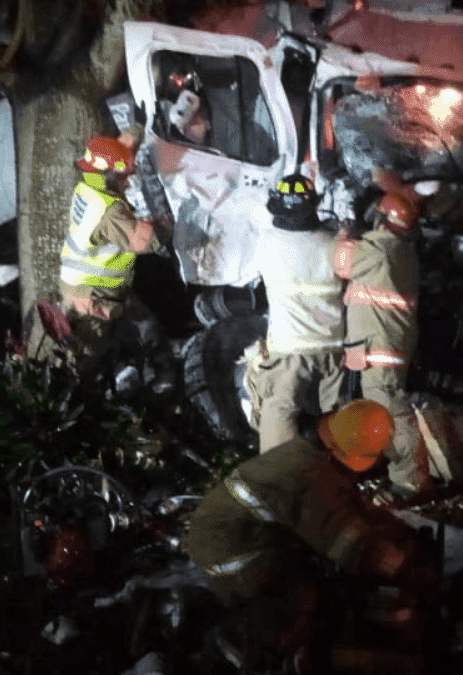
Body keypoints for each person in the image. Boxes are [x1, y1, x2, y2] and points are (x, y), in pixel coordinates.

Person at [185, 400, 427, 673]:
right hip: (230, 548)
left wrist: (391, 527)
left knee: (314, 577)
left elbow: (346, 504)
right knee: (298, 595)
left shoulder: (311, 453)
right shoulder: (310, 474)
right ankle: (249, 650)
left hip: (243, 533)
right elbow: (342, 538)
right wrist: (397, 563)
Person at [333, 172, 432, 498]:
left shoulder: (379, 251)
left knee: (392, 413)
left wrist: (344, 234)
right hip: (382, 346)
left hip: (380, 350)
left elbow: (340, 266)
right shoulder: (402, 252)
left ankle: (411, 482)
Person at [58, 130, 172, 383]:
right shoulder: (110, 213)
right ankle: (145, 383)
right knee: (106, 349)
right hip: (97, 296)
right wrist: (168, 222)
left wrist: (137, 129)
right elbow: (146, 241)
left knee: (144, 324)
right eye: (122, 178)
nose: (127, 183)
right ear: (108, 176)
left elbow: (115, 154)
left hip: (79, 286)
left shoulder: (88, 188)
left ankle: (156, 372)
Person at [248, 174, 346, 452]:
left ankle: (279, 475)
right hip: (333, 346)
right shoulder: (335, 244)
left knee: (280, 411)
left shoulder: (266, 243)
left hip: (289, 349)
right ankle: (339, 476)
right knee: (335, 419)